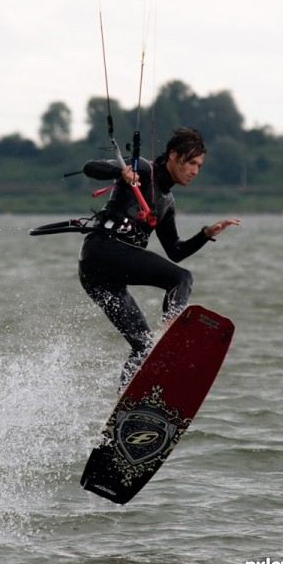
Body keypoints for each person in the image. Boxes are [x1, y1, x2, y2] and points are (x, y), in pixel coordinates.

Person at [78, 127, 240, 392]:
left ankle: (126, 405)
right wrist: (120, 171)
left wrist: (206, 234)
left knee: (143, 346)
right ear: (174, 156)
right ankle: (171, 337)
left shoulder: (167, 201)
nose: (196, 171)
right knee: (182, 278)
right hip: (103, 250)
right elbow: (89, 167)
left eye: (200, 166)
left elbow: (175, 250)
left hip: (100, 275)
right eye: (192, 163)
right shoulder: (142, 169)